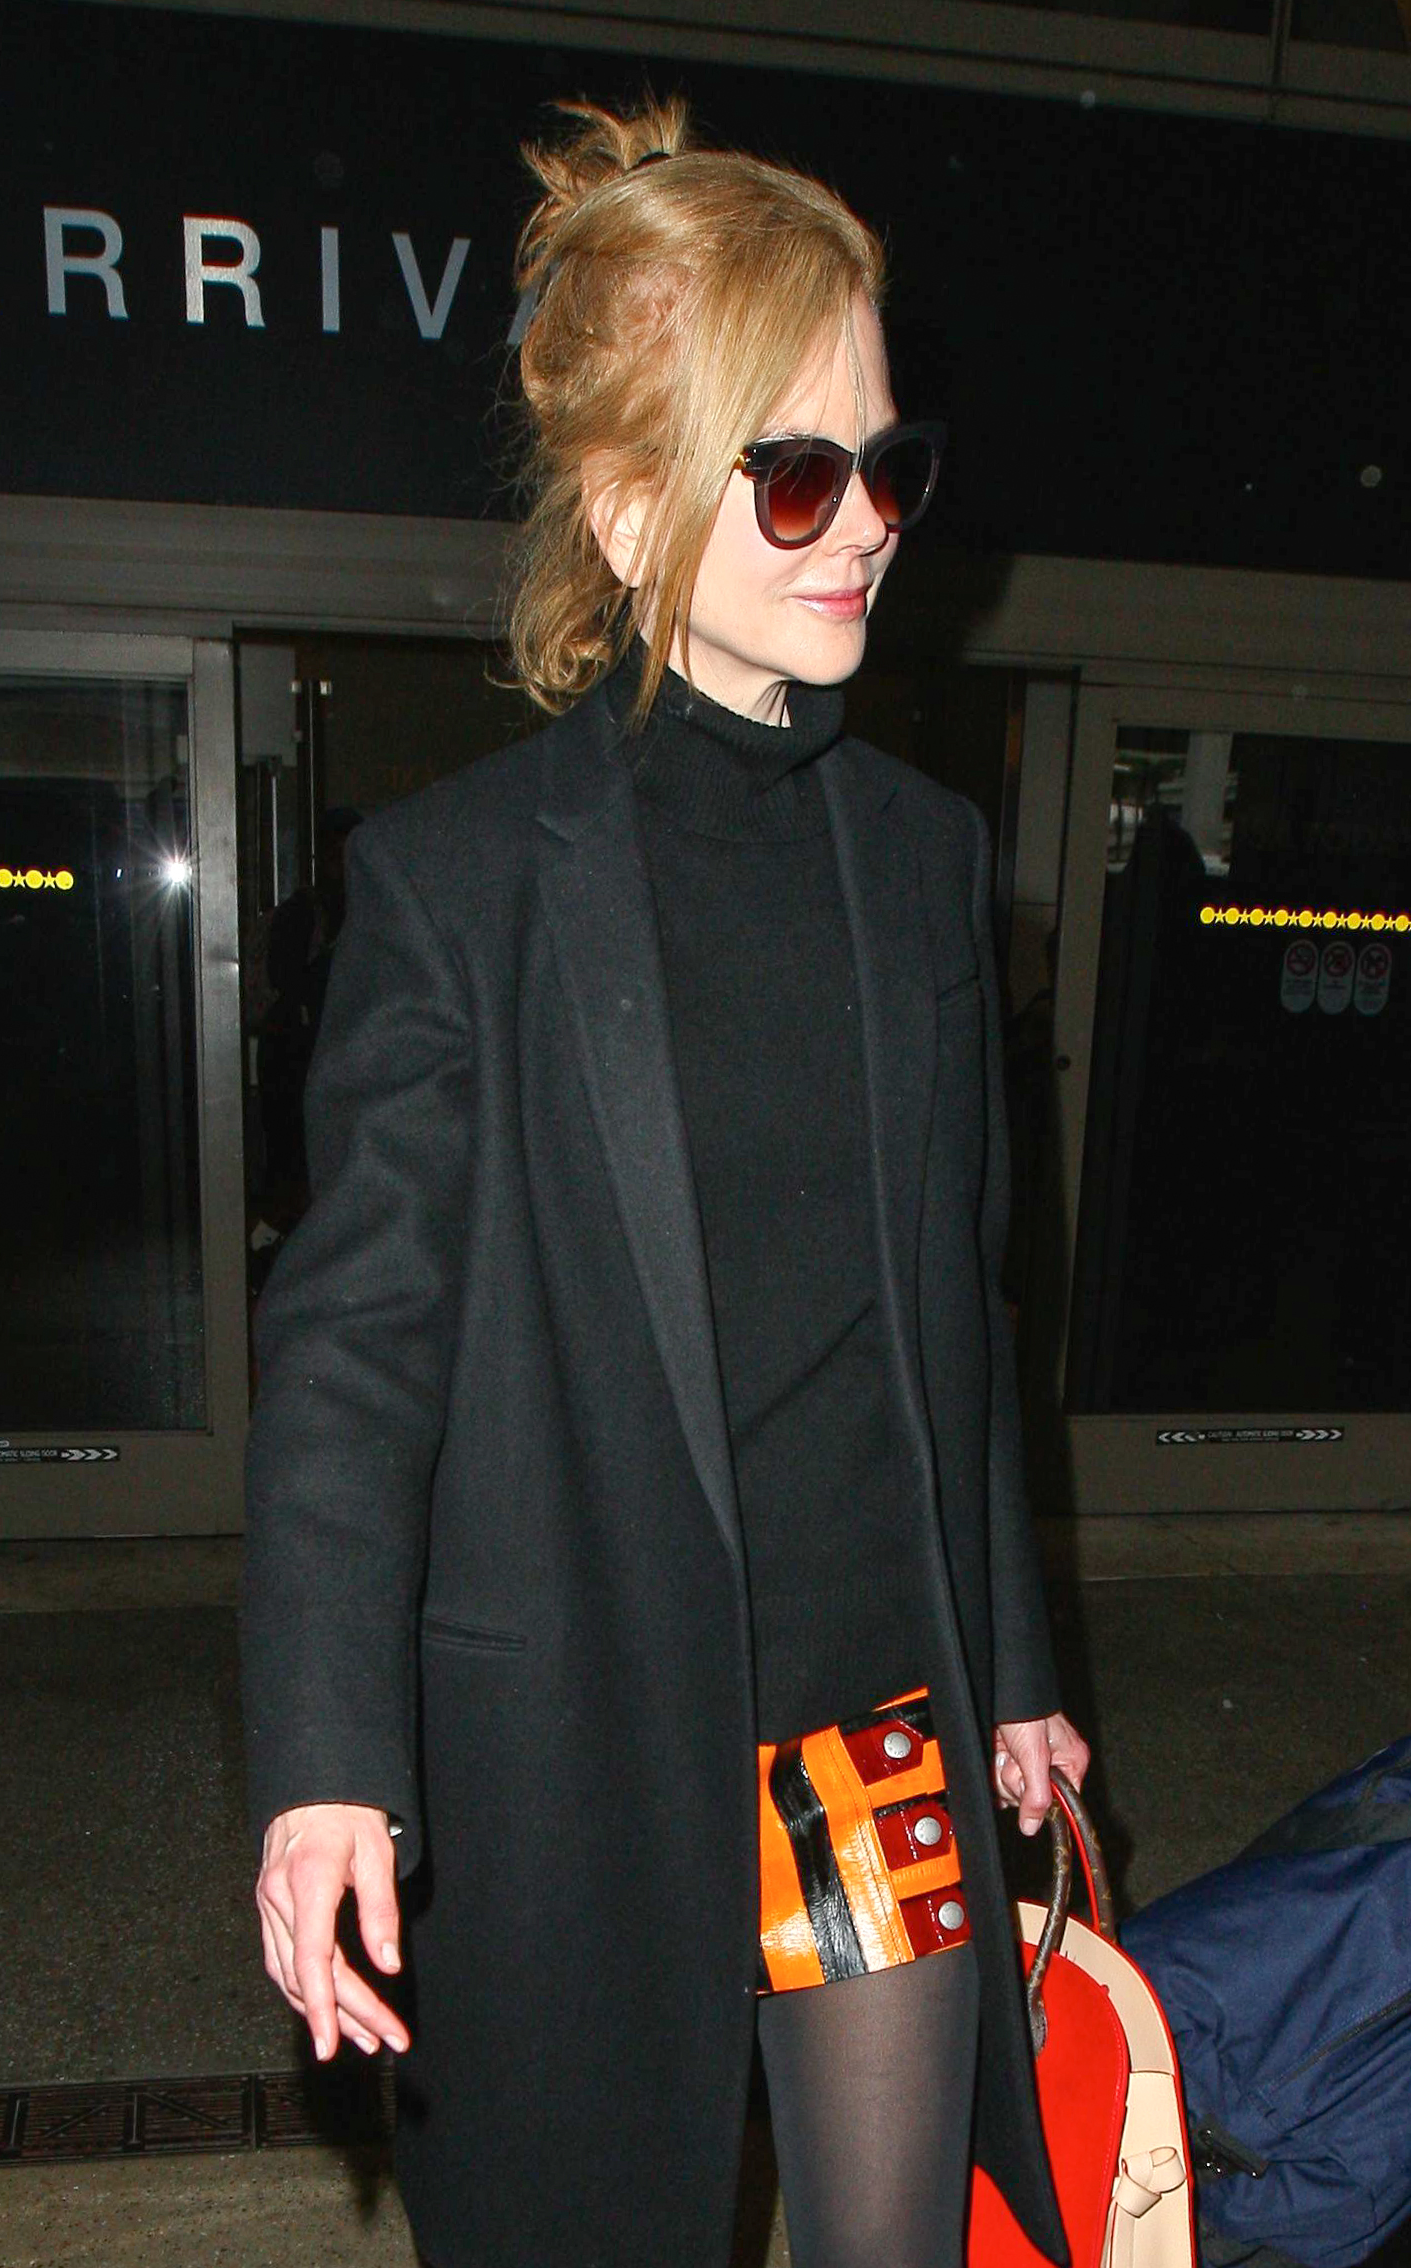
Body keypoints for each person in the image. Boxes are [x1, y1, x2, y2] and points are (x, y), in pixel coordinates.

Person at [242, 95, 1089, 2268]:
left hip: (869, 1728)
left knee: (899, 2240)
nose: (865, 527)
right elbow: (355, 1353)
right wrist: (326, 1755)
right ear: (631, 515)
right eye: (797, 477)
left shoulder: (921, 862)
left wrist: (1007, 1658)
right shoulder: (464, 891)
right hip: (576, 1742)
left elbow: (956, 1303)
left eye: (890, 466)